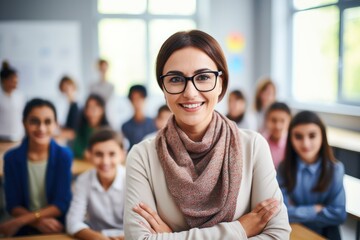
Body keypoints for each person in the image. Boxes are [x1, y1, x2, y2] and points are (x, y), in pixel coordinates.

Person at [124, 30, 291, 239]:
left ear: (221, 83)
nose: (190, 92)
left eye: (203, 77)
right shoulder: (142, 156)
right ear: (163, 88)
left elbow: (277, 235)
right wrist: (239, 230)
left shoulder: (253, 146)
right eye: (176, 79)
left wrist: (172, 236)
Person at [0, 98, 73, 237]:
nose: (41, 128)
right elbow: (13, 204)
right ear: (24, 123)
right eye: (34, 121)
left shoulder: (64, 156)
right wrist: (36, 221)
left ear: (56, 124)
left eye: (47, 122)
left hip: (56, 225)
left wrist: (20, 221)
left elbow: (61, 203)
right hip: (23, 227)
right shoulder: (11, 158)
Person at [277, 111, 346, 239]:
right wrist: (315, 209)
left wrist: (296, 213)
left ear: (322, 137)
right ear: (290, 139)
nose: (305, 143)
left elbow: (339, 215)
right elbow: (280, 213)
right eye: (298, 136)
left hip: (326, 233)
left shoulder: (336, 169)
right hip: (295, 231)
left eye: (312, 135)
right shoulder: (283, 168)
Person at [66, 128, 126, 240]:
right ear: (89, 155)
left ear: (122, 155)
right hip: (96, 236)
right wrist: (99, 238)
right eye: (99, 154)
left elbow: (142, 225)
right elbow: (72, 222)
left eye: (112, 154)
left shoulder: (132, 179)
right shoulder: (83, 180)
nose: (105, 161)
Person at [73, 94, 109, 159]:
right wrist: (84, 153)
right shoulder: (81, 129)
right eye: (88, 107)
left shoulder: (107, 130)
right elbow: (76, 147)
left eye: (95, 107)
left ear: (102, 110)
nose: (91, 111)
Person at [121, 84, 157, 150]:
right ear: (130, 101)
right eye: (134, 99)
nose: (137, 102)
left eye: (140, 98)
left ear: (145, 99)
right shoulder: (125, 126)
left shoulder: (154, 123)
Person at [0, 60, 25, 141]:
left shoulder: (20, 96)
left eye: (16, 82)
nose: (15, 84)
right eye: (12, 81)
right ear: (4, 81)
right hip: (1, 137)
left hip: (18, 136)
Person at [262, 102, 291, 169]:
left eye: (282, 121)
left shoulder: (292, 143)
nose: (278, 126)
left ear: (289, 121)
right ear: (266, 120)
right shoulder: (260, 141)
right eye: (273, 120)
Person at [57, 75, 80, 141]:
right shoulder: (65, 106)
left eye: (68, 86)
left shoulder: (76, 106)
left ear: (73, 87)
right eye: (64, 88)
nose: (66, 89)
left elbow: (73, 133)